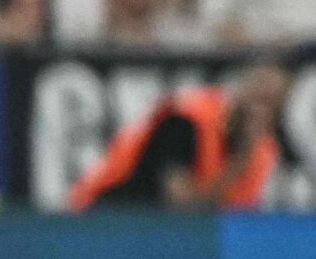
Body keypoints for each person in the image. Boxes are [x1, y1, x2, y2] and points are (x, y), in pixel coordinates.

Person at [67, 62, 289, 211]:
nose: (260, 110)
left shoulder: (263, 151)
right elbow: (183, 208)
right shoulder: (187, 120)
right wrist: (239, 161)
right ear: (240, 91)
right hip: (104, 214)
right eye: (257, 97)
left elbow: (234, 211)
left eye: (271, 103)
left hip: (156, 231)